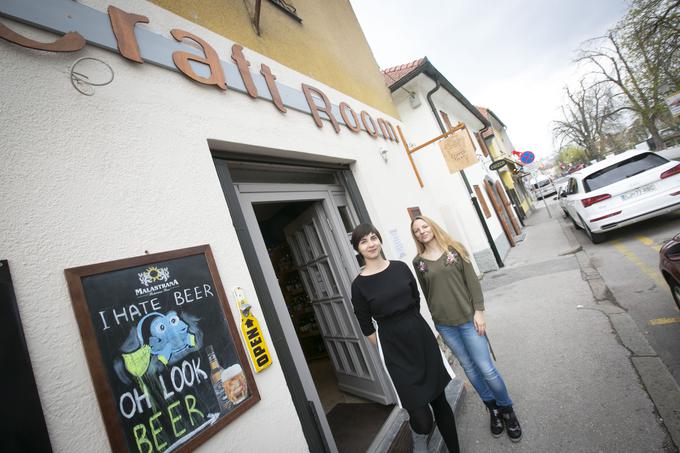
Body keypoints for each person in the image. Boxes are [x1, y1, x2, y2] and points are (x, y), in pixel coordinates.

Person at [410, 215, 522, 442]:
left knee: (486, 368)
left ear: (432, 226)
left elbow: (472, 282)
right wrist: (436, 321)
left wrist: (479, 312)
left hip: (469, 320)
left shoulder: (454, 249)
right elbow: (427, 293)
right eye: (417, 230)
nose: (422, 231)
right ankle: (493, 409)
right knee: (470, 370)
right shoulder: (418, 262)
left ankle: (507, 409)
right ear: (415, 236)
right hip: (445, 325)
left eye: (424, 226)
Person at [349, 224, 460, 453]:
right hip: (394, 351)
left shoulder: (400, 268)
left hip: (421, 339)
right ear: (358, 249)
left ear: (380, 240)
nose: (371, 244)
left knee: (440, 402)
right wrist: (384, 348)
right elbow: (366, 325)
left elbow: (416, 298)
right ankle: (418, 433)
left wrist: (410, 324)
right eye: (364, 241)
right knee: (422, 417)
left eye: (373, 238)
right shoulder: (358, 286)